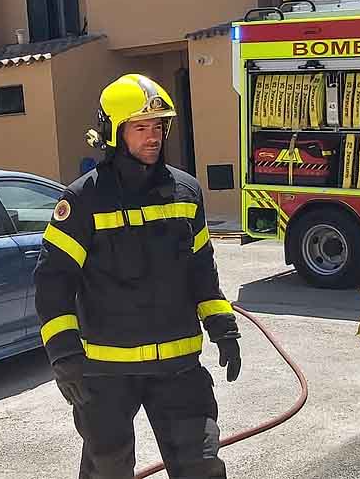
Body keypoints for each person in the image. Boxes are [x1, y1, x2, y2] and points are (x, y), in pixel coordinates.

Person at [33, 74, 241, 479]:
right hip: (107, 374)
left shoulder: (186, 192)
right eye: (140, 127)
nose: (153, 137)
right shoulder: (82, 201)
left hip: (179, 368)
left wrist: (224, 327)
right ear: (113, 131)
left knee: (202, 467)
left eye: (159, 126)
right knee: (108, 469)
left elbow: (202, 271)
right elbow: (54, 282)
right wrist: (64, 355)